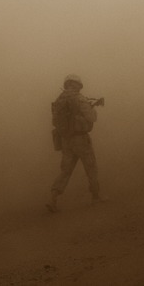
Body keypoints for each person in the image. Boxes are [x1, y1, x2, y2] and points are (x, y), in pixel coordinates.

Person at [46, 74, 105, 212]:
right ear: (76, 84)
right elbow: (92, 117)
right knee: (91, 167)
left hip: (66, 141)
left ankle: (53, 198)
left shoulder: (59, 100)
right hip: (81, 139)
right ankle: (96, 197)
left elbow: (55, 121)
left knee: (65, 171)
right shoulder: (79, 98)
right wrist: (92, 109)